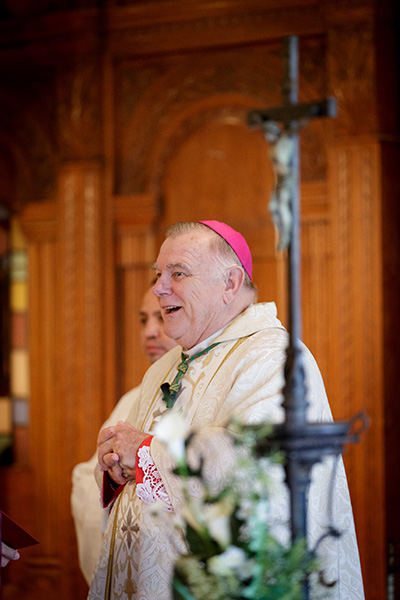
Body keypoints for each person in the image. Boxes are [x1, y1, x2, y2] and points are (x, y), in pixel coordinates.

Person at [88, 220, 364, 600]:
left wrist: (147, 454)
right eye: (158, 274)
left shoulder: (274, 357)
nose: (158, 288)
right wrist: (117, 463)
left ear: (230, 284)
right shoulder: (162, 370)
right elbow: (141, 471)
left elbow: (256, 470)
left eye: (177, 273)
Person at [71, 284, 177, 586]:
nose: (150, 332)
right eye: (144, 320)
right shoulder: (134, 398)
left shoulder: (206, 396)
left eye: (162, 316)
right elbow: (86, 478)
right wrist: (112, 473)